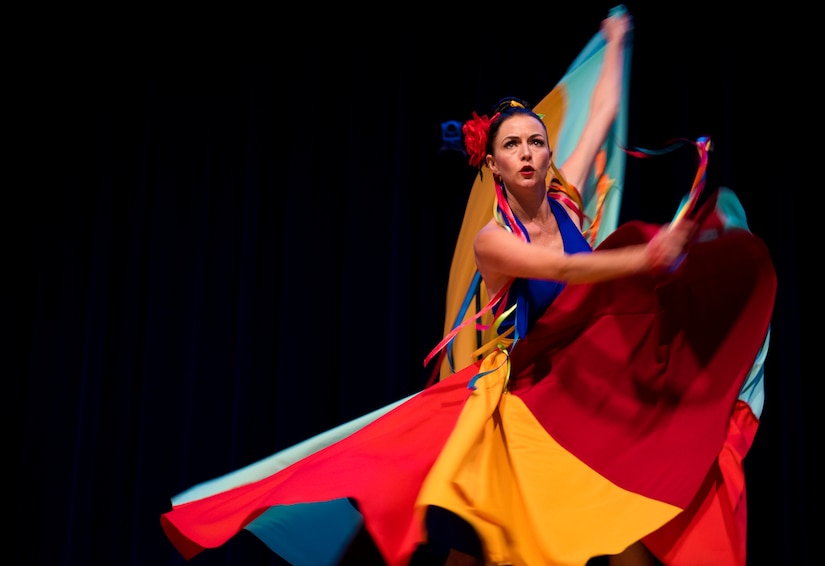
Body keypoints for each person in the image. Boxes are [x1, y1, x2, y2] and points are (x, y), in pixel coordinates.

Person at [161, 7, 775, 565]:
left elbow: (603, 115)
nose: (530, 152)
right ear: (495, 164)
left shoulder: (567, 199)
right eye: (514, 145)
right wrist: (640, 261)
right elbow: (562, 271)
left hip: (590, 382)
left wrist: (616, 42)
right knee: (500, 545)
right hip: (534, 400)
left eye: (537, 141)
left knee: (627, 529)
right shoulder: (494, 240)